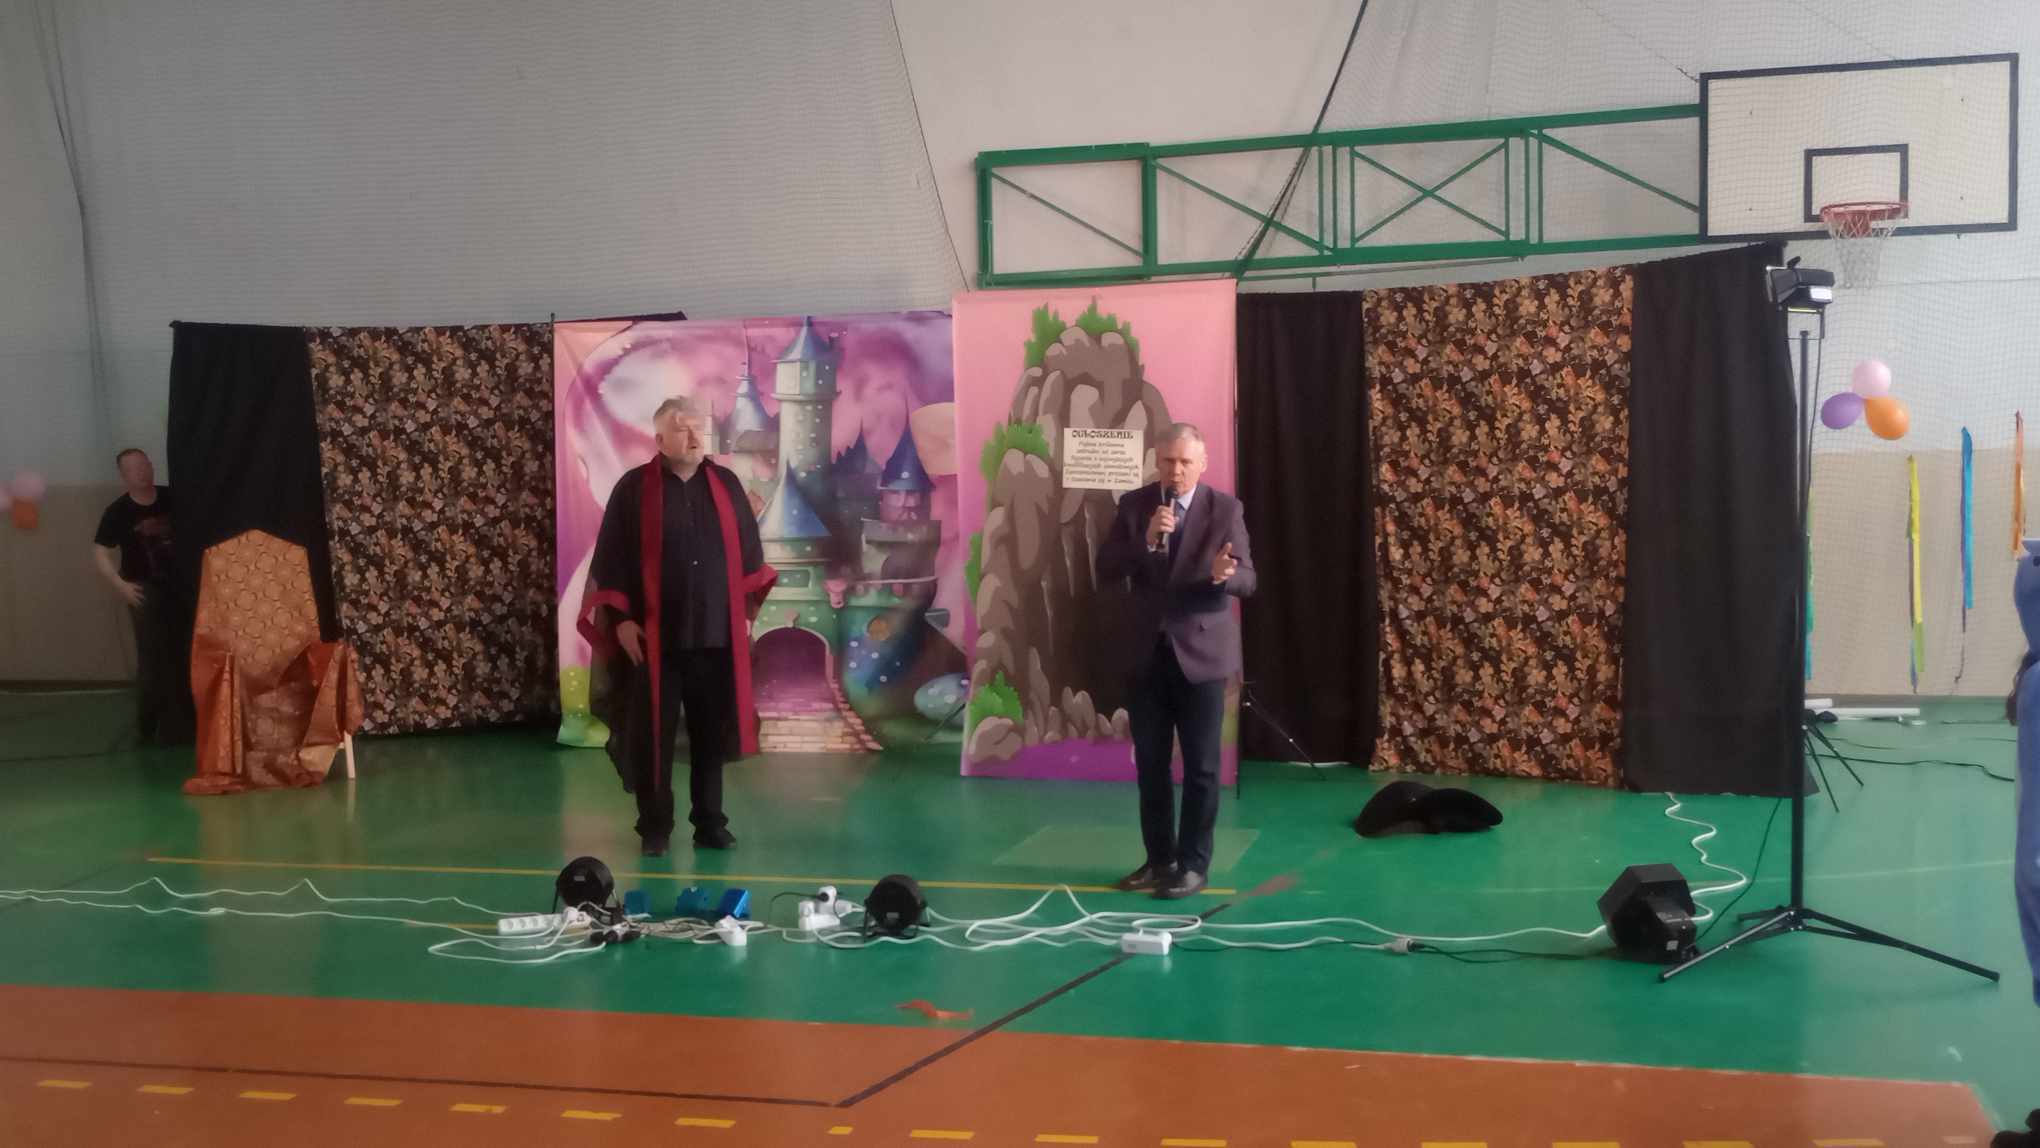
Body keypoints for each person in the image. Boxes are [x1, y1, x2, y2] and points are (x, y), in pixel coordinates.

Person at [578, 397, 775, 857]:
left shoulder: (726, 485)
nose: (694, 436)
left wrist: (745, 613)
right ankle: (655, 827)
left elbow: (749, 554)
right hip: (653, 640)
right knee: (653, 737)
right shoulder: (633, 489)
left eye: (699, 427)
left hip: (715, 636)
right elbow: (612, 559)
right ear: (659, 439)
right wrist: (622, 621)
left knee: (710, 735)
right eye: (683, 429)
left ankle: (710, 823)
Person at [1095, 423, 1255, 899]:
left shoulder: (1225, 509)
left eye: (1185, 461)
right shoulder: (1135, 505)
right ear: (1156, 462)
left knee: (1202, 768)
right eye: (1168, 461)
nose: (1176, 470)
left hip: (1202, 656)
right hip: (1147, 655)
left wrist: (1225, 576)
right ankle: (1159, 860)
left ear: (1202, 464)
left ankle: (1193, 866)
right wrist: (1146, 540)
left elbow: (1249, 579)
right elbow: (1106, 569)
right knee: (1151, 765)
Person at [92, 448, 191, 744]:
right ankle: (149, 725)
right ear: (124, 475)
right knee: (152, 656)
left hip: (179, 586)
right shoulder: (118, 511)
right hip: (143, 588)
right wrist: (119, 584)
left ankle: (185, 721)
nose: (142, 472)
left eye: (144, 465)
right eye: (134, 468)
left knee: (183, 649)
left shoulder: (173, 498)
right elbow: (100, 551)